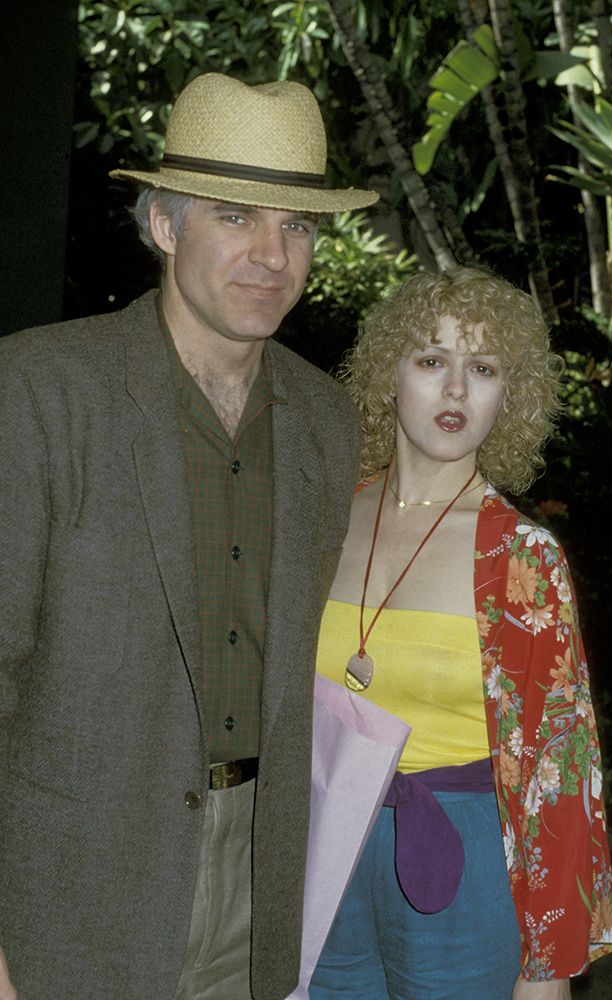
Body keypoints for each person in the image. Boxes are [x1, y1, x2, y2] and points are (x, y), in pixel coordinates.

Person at [0, 73, 378, 1000]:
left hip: (260, 876)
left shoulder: (328, 421)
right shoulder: (42, 392)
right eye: (235, 216)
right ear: (164, 226)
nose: (271, 255)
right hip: (71, 886)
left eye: (296, 226)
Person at [311, 266, 612, 999]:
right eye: (431, 360)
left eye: (482, 368)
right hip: (321, 843)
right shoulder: (322, 519)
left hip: (465, 863)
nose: (455, 389)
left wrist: (546, 965)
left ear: (505, 396)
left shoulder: (521, 557)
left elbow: (560, 772)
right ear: (389, 375)